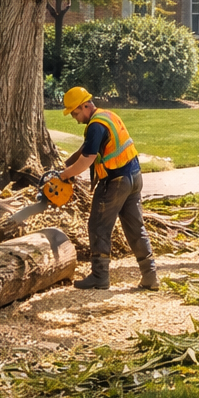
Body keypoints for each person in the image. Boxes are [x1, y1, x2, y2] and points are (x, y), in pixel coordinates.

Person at [56, 86, 159, 291]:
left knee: (98, 226)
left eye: (76, 113)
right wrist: (65, 164)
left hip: (116, 180)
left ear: (85, 105)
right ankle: (150, 276)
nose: (75, 118)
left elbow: (88, 159)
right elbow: (86, 149)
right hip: (134, 176)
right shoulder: (107, 116)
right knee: (135, 227)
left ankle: (99, 276)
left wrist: (64, 175)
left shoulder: (95, 125)